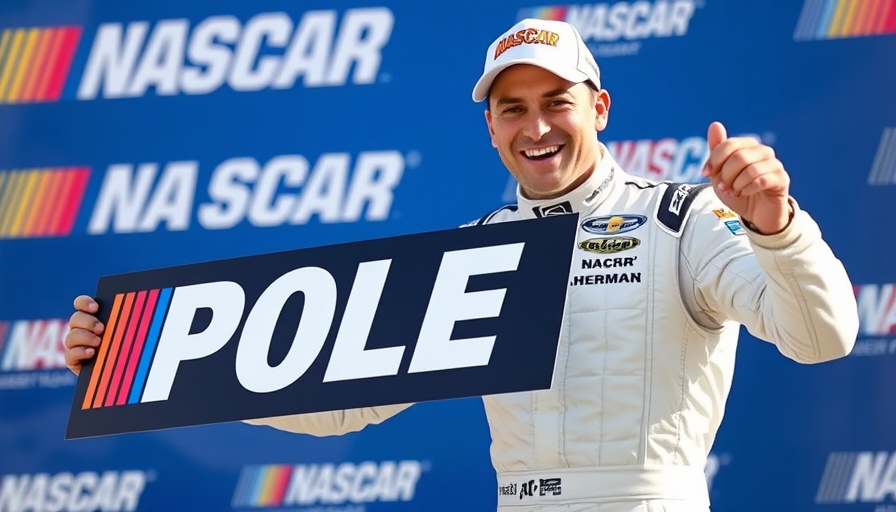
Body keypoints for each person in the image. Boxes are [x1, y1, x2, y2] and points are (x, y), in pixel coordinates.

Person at [65, 18, 859, 511]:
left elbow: (820, 337)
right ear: (489, 127)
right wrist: (145, 365)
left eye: (557, 102)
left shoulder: (681, 217)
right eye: (512, 108)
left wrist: (776, 226)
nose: (536, 126)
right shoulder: (477, 249)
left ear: (599, 108)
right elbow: (338, 405)